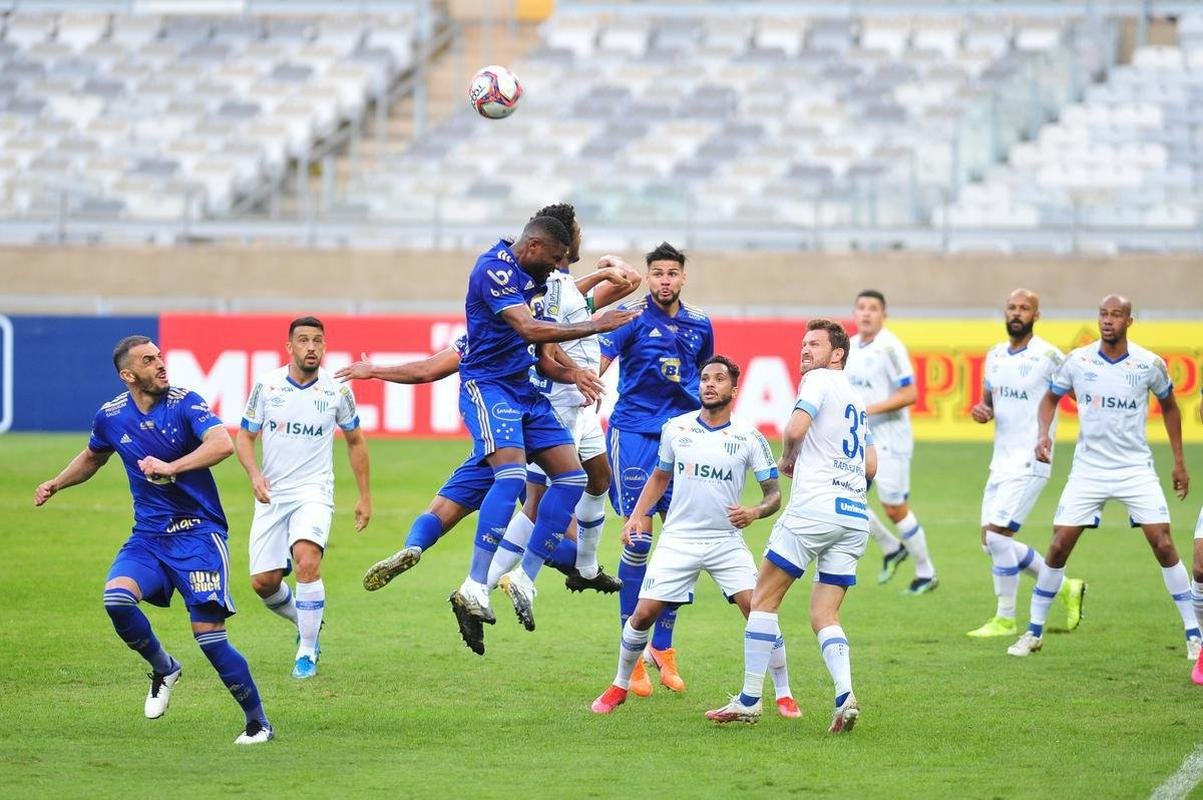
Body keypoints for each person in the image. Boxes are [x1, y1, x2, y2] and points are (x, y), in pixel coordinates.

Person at [34, 335, 273, 744]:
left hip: (199, 534)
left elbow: (221, 444)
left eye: (160, 356)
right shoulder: (110, 416)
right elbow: (93, 456)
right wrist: (58, 482)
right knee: (116, 600)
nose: (161, 364)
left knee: (211, 639)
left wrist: (171, 466)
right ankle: (164, 667)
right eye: (149, 360)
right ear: (129, 375)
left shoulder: (185, 402)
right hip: (148, 538)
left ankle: (258, 723)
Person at [449, 216, 639, 653]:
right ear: (538, 246)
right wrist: (593, 331)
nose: (564, 262)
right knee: (521, 488)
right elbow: (538, 339)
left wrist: (602, 275)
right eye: (561, 254)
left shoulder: (547, 279)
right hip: (519, 392)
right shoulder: (510, 274)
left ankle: (556, 571)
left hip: (555, 396)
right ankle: (482, 582)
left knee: (585, 478)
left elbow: (597, 294)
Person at [590, 356, 798, 717]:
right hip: (679, 539)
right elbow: (660, 477)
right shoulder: (676, 428)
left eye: (718, 379)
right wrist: (636, 516)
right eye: (704, 378)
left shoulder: (749, 437)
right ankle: (619, 685)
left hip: (725, 541)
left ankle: (784, 693)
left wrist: (755, 511)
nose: (709, 384)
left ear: (734, 389)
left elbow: (774, 495)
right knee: (642, 615)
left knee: (759, 612)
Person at [705, 319, 874, 734]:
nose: (805, 350)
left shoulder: (818, 380)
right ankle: (844, 694)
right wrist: (850, 488)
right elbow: (871, 464)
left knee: (762, 599)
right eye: (802, 344)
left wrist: (787, 459)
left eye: (814, 344)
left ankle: (748, 699)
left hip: (813, 510)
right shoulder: (857, 397)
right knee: (825, 613)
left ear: (837, 354)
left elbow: (795, 428)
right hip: (854, 515)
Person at [1008, 295, 1195, 658]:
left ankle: (1193, 633)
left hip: (1133, 468)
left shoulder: (1148, 364)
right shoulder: (1078, 360)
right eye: (1103, 314)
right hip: (1088, 470)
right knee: (1059, 544)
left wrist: (1179, 462)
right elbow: (1050, 399)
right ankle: (1033, 632)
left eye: (1116, 315)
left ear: (1129, 321)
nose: (1108, 321)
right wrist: (1043, 434)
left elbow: (1170, 407)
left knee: (1164, 544)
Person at [486, 203, 642, 593]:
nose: (581, 237)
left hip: (580, 401)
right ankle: (482, 586)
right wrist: (576, 373)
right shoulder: (541, 280)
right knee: (539, 499)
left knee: (600, 477)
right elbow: (548, 344)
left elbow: (611, 287)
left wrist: (602, 271)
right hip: (557, 399)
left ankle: (586, 567)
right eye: (578, 231)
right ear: (563, 236)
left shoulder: (563, 279)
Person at [599, 241, 715, 697]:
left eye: (672, 273)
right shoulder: (629, 318)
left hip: (683, 440)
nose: (665, 280)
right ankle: (633, 654)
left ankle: (662, 648)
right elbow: (601, 364)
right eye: (657, 273)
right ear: (648, 278)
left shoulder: (701, 324)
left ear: (683, 277)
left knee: (682, 544)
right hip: (634, 437)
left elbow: (709, 381)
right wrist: (585, 390)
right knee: (638, 541)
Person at [234, 316, 371, 679]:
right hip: (273, 494)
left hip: (315, 492)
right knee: (263, 582)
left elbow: (355, 441)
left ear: (325, 347)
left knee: (307, 562)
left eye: (318, 341)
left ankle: (306, 651)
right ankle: (305, 619)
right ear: (289, 347)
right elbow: (244, 437)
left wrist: (364, 496)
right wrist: (254, 475)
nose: (312, 347)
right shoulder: (267, 386)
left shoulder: (337, 390)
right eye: (304, 341)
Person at [966, 290, 1085, 638]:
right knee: (990, 543)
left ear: (1036, 315)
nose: (1017, 313)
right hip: (1000, 462)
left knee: (999, 537)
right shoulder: (995, 356)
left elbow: (1082, 397)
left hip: (1032, 459)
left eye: (1024, 308)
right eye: (1012, 307)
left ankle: (1005, 618)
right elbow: (988, 402)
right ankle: (1064, 587)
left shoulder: (1049, 356)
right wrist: (982, 411)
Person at [845, 289, 937, 594]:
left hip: (891, 438)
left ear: (884, 314)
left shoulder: (891, 347)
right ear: (855, 313)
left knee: (894, 507)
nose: (866, 313)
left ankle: (926, 572)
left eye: (873, 308)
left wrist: (867, 410)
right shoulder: (852, 347)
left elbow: (910, 394)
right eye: (861, 308)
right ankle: (891, 547)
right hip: (862, 438)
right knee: (847, 496)